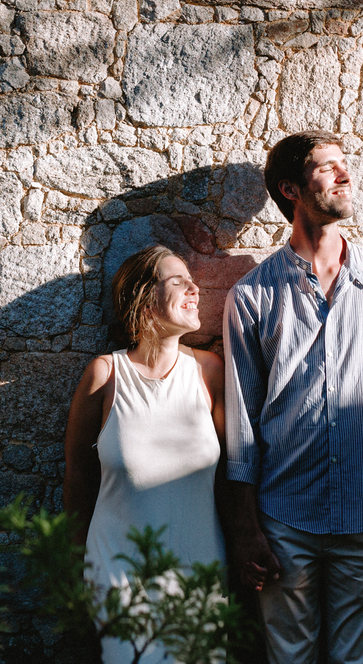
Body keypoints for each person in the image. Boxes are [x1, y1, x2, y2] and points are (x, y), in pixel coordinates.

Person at [222, 131, 363, 664]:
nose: (345, 174)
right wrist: (246, 528)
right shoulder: (252, 295)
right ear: (290, 189)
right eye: (326, 167)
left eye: (344, 163)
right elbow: (242, 422)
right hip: (283, 521)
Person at [63, 245, 226, 664]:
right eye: (178, 282)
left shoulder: (210, 372)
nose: (195, 289)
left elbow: (238, 470)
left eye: (192, 281)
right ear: (143, 298)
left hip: (198, 572)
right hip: (117, 576)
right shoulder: (105, 374)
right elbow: (78, 475)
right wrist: (76, 567)